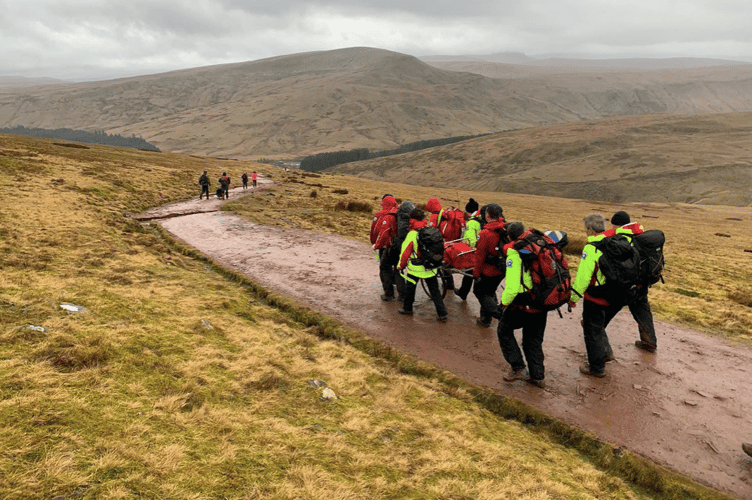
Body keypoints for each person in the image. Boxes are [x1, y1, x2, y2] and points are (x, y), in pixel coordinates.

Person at [497, 222, 548, 389]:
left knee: (504, 330)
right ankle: (537, 376)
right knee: (533, 339)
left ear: (510, 237)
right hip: (541, 300)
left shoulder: (514, 253)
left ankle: (518, 367)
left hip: (522, 303)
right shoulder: (539, 246)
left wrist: (503, 303)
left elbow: (511, 287)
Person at [568, 213, 618, 377]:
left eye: (585, 229)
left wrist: (573, 297)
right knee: (599, 325)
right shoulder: (614, 242)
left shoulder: (591, 248)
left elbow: (583, 278)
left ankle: (597, 367)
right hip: (613, 292)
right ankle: (606, 353)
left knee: (592, 331)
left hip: (595, 295)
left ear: (589, 229)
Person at [606, 210, 658, 353]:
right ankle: (649, 341)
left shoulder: (622, 238)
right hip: (643, 282)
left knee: (611, 306)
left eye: (613, 225)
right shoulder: (640, 234)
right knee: (642, 310)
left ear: (617, 225)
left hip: (628, 284)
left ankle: (593, 329)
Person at [397, 208, 448, 321]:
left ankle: (407, 308)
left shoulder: (412, 234)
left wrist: (400, 265)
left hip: (415, 268)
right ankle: (442, 313)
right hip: (430, 267)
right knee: (435, 291)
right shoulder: (431, 230)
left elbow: (405, 253)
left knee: (410, 288)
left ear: (412, 219)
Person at [472, 203, 506, 327]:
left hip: (488, 270)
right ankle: (485, 319)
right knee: (490, 291)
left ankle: (501, 316)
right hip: (502, 269)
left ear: (487, 215)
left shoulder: (485, 233)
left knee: (480, 292)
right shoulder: (505, 229)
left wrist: (476, 273)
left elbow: (479, 256)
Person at [370, 194, 399, 301]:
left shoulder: (381, 214)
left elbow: (376, 231)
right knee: (397, 267)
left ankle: (388, 293)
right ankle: (401, 291)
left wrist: (375, 243)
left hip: (386, 246)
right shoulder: (399, 213)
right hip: (398, 245)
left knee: (384, 268)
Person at [455, 198, 481, 301]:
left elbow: (470, 240)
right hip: (485, 251)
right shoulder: (482, 219)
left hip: (476, 251)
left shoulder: (471, 224)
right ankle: (463, 292)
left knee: (469, 271)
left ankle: (463, 292)